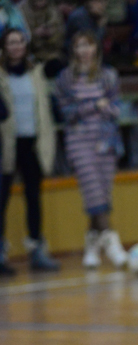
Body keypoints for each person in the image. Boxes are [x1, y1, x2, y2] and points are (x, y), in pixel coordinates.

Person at [55, 30, 127, 268]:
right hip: (79, 141)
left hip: (105, 141)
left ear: (96, 48)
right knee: (93, 192)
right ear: (73, 50)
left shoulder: (108, 75)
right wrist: (94, 105)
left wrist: (102, 107)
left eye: (88, 45)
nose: (84, 51)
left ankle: (91, 248)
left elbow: (117, 109)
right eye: (79, 46)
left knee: (102, 195)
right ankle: (114, 245)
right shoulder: (65, 78)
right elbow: (66, 113)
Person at [0, 27, 59, 272]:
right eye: (11, 42)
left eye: (20, 42)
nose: (16, 46)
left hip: (32, 143)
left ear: (26, 45)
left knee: (33, 199)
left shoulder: (36, 73)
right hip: (5, 146)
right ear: (4, 47)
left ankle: (36, 250)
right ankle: (1, 255)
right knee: (1, 200)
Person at [19, 0, 65, 71]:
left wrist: (50, 34)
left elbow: (59, 38)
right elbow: (19, 37)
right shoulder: (21, 11)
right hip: (29, 55)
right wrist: (35, 34)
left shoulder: (54, 11)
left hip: (51, 55)